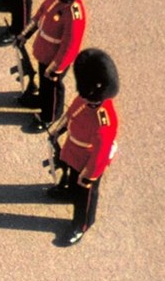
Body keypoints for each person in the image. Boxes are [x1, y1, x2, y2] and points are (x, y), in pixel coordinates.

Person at [15, 0, 95, 128]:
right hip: (44, 47)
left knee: (53, 86)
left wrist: (57, 67)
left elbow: (70, 45)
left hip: (56, 56)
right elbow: (43, 11)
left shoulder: (74, 13)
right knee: (44, 81)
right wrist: (28, 31)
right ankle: (41, 100)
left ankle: (50, 115)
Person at [46, 48, 119, 246]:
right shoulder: (84, 99)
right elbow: (71, 115)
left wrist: (88, 176)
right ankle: (68, 191)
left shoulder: (104, 120)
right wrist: (56, 132)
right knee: (70, 174)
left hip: (89, 159)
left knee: (85, 195)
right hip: (74, 149)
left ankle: (82, 224)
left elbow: (100, 154)